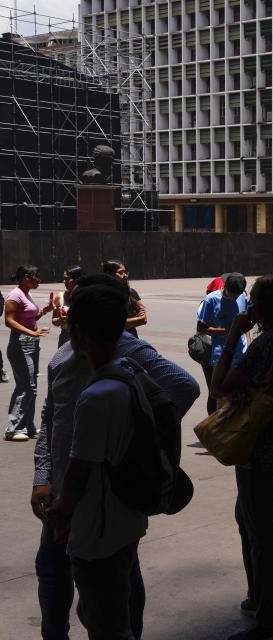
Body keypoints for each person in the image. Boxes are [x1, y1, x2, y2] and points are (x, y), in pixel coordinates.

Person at [32, 274, 199, 640]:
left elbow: (184, 387)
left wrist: (132, 445)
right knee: (57, 571)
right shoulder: (64, 358)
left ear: (81, 329)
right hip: (65, 493)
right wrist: (42, 476)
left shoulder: (125, 363)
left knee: (111, 592)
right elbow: (50, 417)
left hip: (102, 505)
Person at [41, 283, 147, 640]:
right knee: (104, 606)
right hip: (119, 517)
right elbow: (49, 422)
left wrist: (62, 512)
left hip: (93, 521)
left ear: (79, 332)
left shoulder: (96, 395)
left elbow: (79, 467)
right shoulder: (131, 377)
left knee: (106, 619)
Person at [211, 274, 273, 639]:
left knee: (261, 529)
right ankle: (258, 597)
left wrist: (235, 331)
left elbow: (219, 385)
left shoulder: (267, 341)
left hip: (258, 443)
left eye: (253, 300)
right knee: (247, 516)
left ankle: (271, 615)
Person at [4, 265, 53, 441]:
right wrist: (31, 332)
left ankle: (28, 426)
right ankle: (13, 428)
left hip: (31, 343)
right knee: (26, 386)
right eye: (36, 277)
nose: (38, 280)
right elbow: (9, 321)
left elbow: (29, 318)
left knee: (31, 386)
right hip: (20, 344)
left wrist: (43, 312)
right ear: (26, 277)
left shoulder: (27, 293)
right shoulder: (15, 295)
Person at [197, 273, 248, 415]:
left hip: (242, 354)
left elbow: (245, 322)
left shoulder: (242, 296)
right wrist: (226, 331)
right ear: (224, 287)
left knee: (241, 397)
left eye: (237, 295)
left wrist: (248, 345)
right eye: (232, 295)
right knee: (222, 398)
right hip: (221, 356)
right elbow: (201, 329)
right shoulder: (211, 300)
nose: (234, 298)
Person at [102, 260, 147, 338]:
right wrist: (135, 320)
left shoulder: (131, 293)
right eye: (121, 272)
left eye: (125, 272)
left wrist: (122, 323)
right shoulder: (101, 295)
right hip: (112, 342)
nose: (125, 275)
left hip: (131, 339)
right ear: (109, 275)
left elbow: (143, 319)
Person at [51, 265, 85, 349]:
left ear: (77, 280)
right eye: (64, 279)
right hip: (65, 338)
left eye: (66, 279)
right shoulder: (60, 297)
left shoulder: (87, 296)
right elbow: (54, 319)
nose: (64, 282)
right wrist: (60, 320)